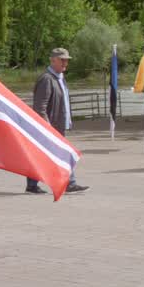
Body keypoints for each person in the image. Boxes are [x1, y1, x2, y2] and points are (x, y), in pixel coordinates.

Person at [26, 48, 88, 194]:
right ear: (53, 60)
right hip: (50, 126)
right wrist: (46, 127)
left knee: (42, 155)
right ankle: (69, 184)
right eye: (62, 60)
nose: (65, 63)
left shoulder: (59, 78)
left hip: (59, 125)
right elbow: (40, 106)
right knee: (62, 153)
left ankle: (32, 185)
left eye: (67, 60)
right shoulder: (47, 79)